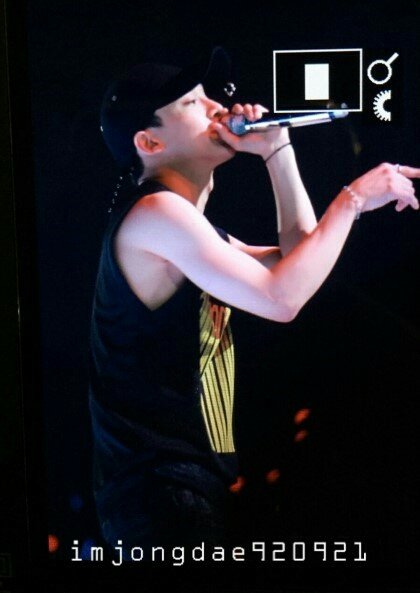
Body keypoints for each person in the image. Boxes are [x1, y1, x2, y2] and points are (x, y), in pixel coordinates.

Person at [88, 46, 419, 561]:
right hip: (158, 495)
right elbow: (281, 298)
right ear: (149, 142)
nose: (218, 108)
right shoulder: (155, 214)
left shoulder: (189, 229)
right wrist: (351, 199)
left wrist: (277, 151)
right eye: (193, 103)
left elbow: (299, 262)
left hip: (184, 491)